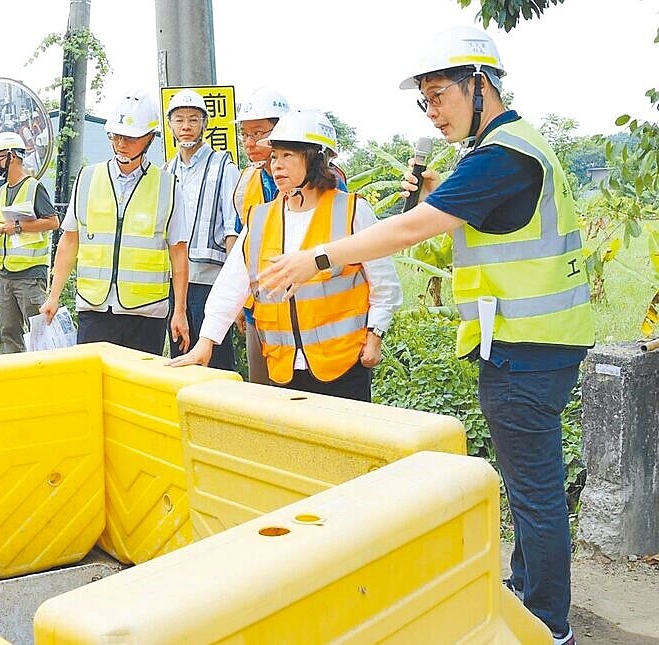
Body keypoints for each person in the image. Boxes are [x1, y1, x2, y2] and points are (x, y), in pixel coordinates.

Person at [255, 27, 592, 645]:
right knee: (527, 486)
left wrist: (319, 258)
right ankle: (530, 592)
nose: (432, 113)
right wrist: (441, 200)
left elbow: (410, 230)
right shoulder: (511, 150)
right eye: (425, 102)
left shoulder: (502, 157)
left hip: (525, 348)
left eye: (439, 97)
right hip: (532, 342)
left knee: (534, 492)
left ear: (480, 85)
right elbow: (483, 226)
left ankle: (548, 624)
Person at [171, 110, 401, 401]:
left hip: (343, 365)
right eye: (275, 156)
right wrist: (206, 342)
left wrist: (376, 334)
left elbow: (384, 282)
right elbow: (232, 285)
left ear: (316, 159)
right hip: (283, 368)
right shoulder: (261, 219)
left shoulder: (352, 210)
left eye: (288, 156)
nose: (277, 166)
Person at [40, 90, 190, 355]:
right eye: (116, 136)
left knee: (139, 391)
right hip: (94, 308)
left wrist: (179, 311)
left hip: (147, 314)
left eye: (130, 138)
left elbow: (178, 252)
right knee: (92, 389)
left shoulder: (167, 186)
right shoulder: (87, 178)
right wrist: (54, 295)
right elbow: (69, 240)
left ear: (150, 138)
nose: (121, 144)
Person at [164, 89, 241, 370]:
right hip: (176, 282)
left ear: (205, 125)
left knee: (216, 360)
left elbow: (233, 228)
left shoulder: (224, 166)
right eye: (180, 120)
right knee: (180, 355)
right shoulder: (167, 170)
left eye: (194, 120)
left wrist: (234, 285)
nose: (186, 127)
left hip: (211, 282)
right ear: (170, 125)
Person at [231, 88, 292, 383]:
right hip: (259, 308)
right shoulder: (247, 182)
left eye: (258, 133)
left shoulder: (325, 179)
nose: (249, 142)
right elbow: (240, 246)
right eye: (245, 135)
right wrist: (241, 301)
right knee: (263, 395)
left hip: (305, 311)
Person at [0, 131, 59, 353]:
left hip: (30, 275)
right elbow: (0, 223)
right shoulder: (2, 190)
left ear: (12, 156)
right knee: (8, 332)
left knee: (39, 332)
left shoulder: (34, 187)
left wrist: (17, 226)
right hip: (6, 273)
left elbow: (53, 222)